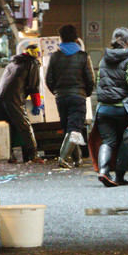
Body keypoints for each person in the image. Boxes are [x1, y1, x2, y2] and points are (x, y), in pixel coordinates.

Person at [94, 26, 128, 187]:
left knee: (108, 141)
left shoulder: (103, 59)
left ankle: (103, 171)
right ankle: (119, 177)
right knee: (124, 143)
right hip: (122, 108)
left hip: (103, 108)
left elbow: (99, 82)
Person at [45, 24, 95, 169]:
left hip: (61, 97)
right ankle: (63, 157)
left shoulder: (55, 56)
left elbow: (48, 79)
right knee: (75, 127)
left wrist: (56, 91)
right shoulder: (83, 56)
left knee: (69, 127)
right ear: (75, 38)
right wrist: (87, 93)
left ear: (61, 38)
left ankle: (77, 159)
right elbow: (90, 79)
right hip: (78, 95)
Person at [0, 42, 42, 162]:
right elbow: (34, 87)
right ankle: (33, 155)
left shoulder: (13, 62)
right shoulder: (32, 63)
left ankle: (8, 156)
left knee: (6, 128)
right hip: (14, 98)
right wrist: (37, 104)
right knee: (25, 126)